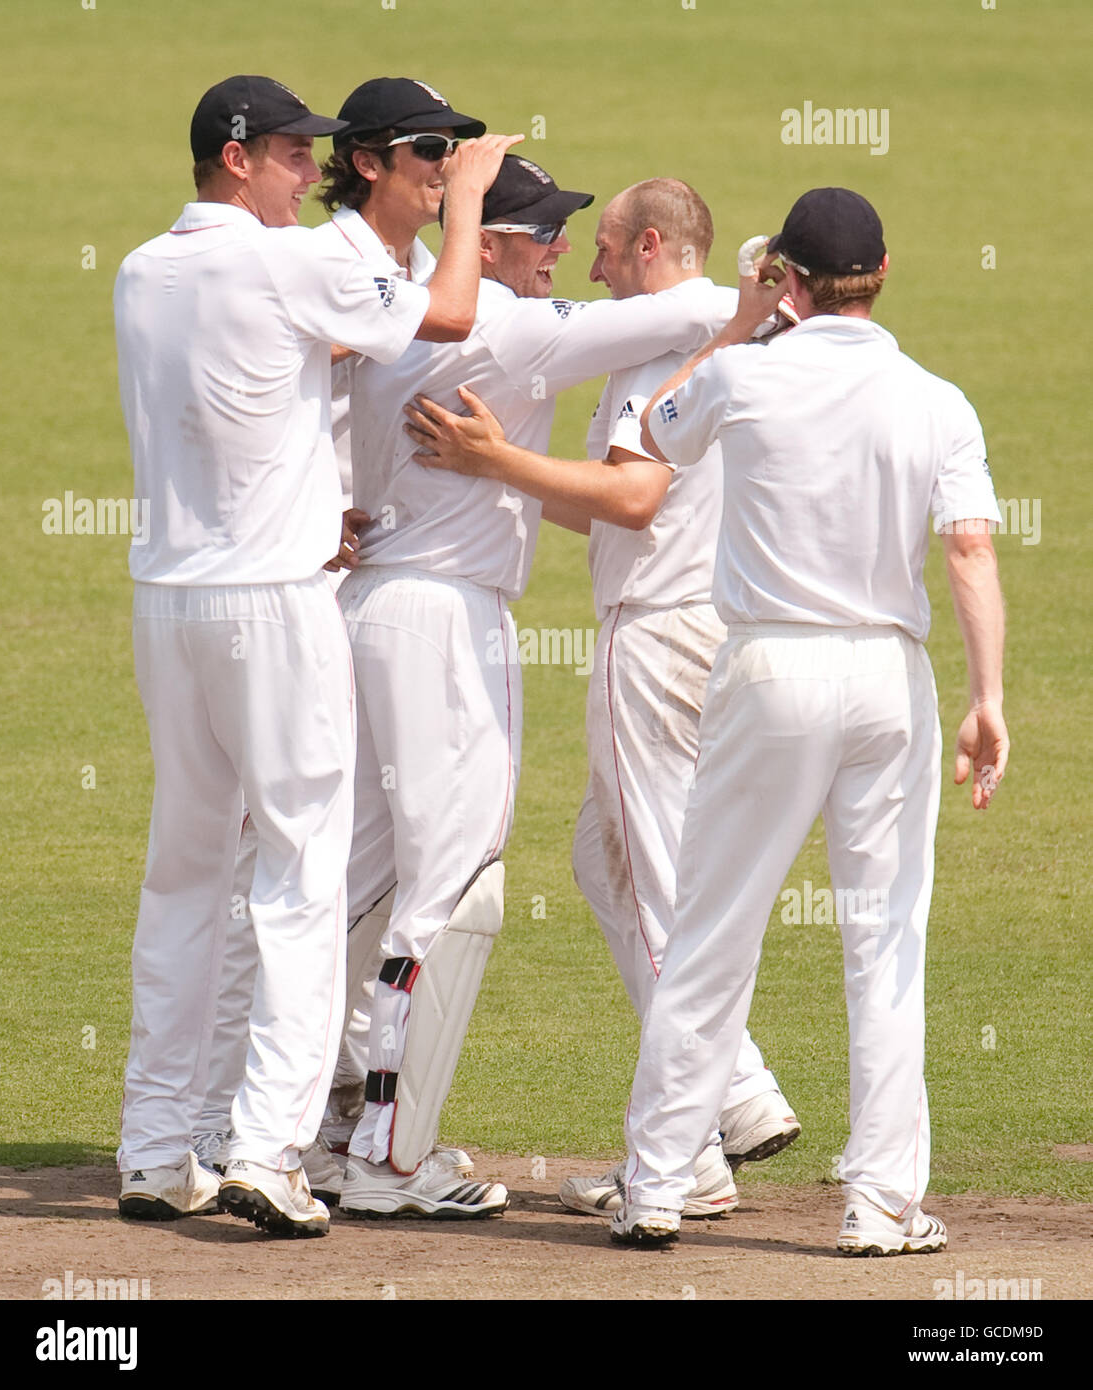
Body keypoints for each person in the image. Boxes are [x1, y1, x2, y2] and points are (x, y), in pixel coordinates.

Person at [113, 71, 518, 1237]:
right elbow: (442, 316)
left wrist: (306, 501)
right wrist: (469, 198)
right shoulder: (285, 260)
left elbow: (241, 402)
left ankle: (154, 1149)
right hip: (275, 607)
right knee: (302, 872)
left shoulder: (144, 268)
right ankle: (271, 1150)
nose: (314, 173)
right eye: (294, 154)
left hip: (169, 601)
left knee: (187, 870)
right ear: (235, 160)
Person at [331, 154, 744, 1219]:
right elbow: (690, 309)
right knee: (457, 882)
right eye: (545, 233)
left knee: (350, 882)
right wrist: (781, 297)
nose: (564, 254)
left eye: (577, 235)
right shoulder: (509, 328)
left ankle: (299, 1121)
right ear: (494, 241)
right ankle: (390, 1151)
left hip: (367, 609)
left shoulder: (392, 321)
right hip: (446, 618)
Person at [607, 187, 1007, 1250]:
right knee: (885, 943)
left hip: (769, 666)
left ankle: (653, 1187)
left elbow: (657, 430)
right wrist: (989, 697)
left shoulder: (744, 369)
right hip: (890, 674)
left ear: (788, 273)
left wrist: (743, 322)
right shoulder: (937, 398)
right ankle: (880, 1204)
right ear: (885, 270)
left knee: (710, 927)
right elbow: (968, 550)